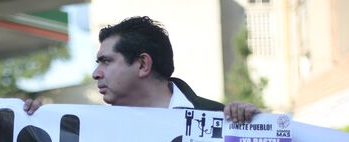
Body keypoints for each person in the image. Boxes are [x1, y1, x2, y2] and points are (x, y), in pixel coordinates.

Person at [92, 16, 260, 119]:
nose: (95, 74)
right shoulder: (93, 132)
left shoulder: (218, 117)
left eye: (106, 61)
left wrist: (255, 125)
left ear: (143, 64)